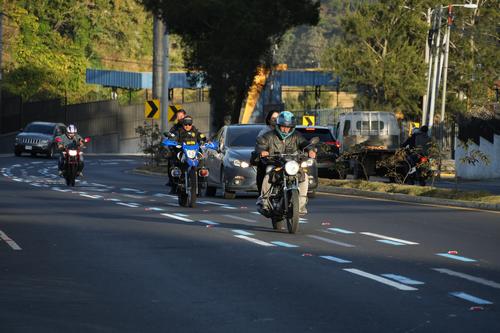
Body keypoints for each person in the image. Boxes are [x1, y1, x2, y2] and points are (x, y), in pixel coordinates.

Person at [255, 111, 316, 216]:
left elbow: (304, 143)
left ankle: (301, 204)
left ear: (292, 127)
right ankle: (264, 201)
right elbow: (261, 144)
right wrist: (262, 151)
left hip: (292, 164)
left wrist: (310, 150)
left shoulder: (296, 136)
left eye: (288, 127)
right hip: (276, 164)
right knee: (269, 173)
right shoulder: (269, 136)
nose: (285, 129)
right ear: (278, 125)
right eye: (283, 127)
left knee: (304, 176)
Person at [255, 110, 280, 193]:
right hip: (268, 160)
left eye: (278, 118)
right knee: (265, 171)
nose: (276, 120)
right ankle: (264, 196)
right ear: (269, 120)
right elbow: (259, 145)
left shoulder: (283, 131)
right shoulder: (264, 132)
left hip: (281, 159)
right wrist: (263, 151)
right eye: (273, 118)